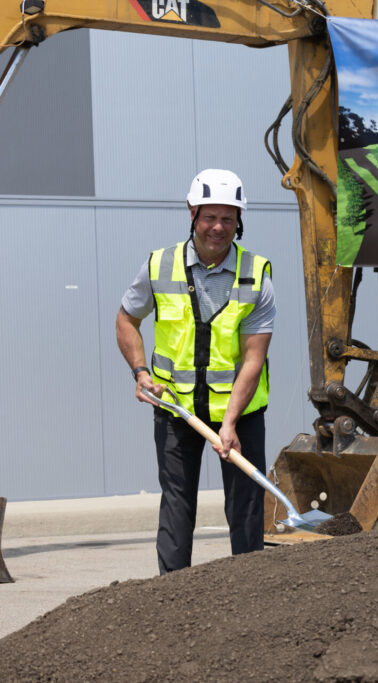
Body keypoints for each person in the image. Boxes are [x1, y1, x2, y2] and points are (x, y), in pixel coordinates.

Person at [115, 168, 275, 574]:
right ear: (192, 213)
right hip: (175, 409)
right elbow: (125, 320)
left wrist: (231, 422)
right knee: (176, 501)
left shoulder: (256, 275)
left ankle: (250, 587)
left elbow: (253, 358)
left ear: (239, 220)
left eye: (227, 218)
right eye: (209, 217)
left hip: (239, 414)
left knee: (246, 505)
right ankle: (173, 594)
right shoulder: (158, 265)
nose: (218, 227)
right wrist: (140, 372)